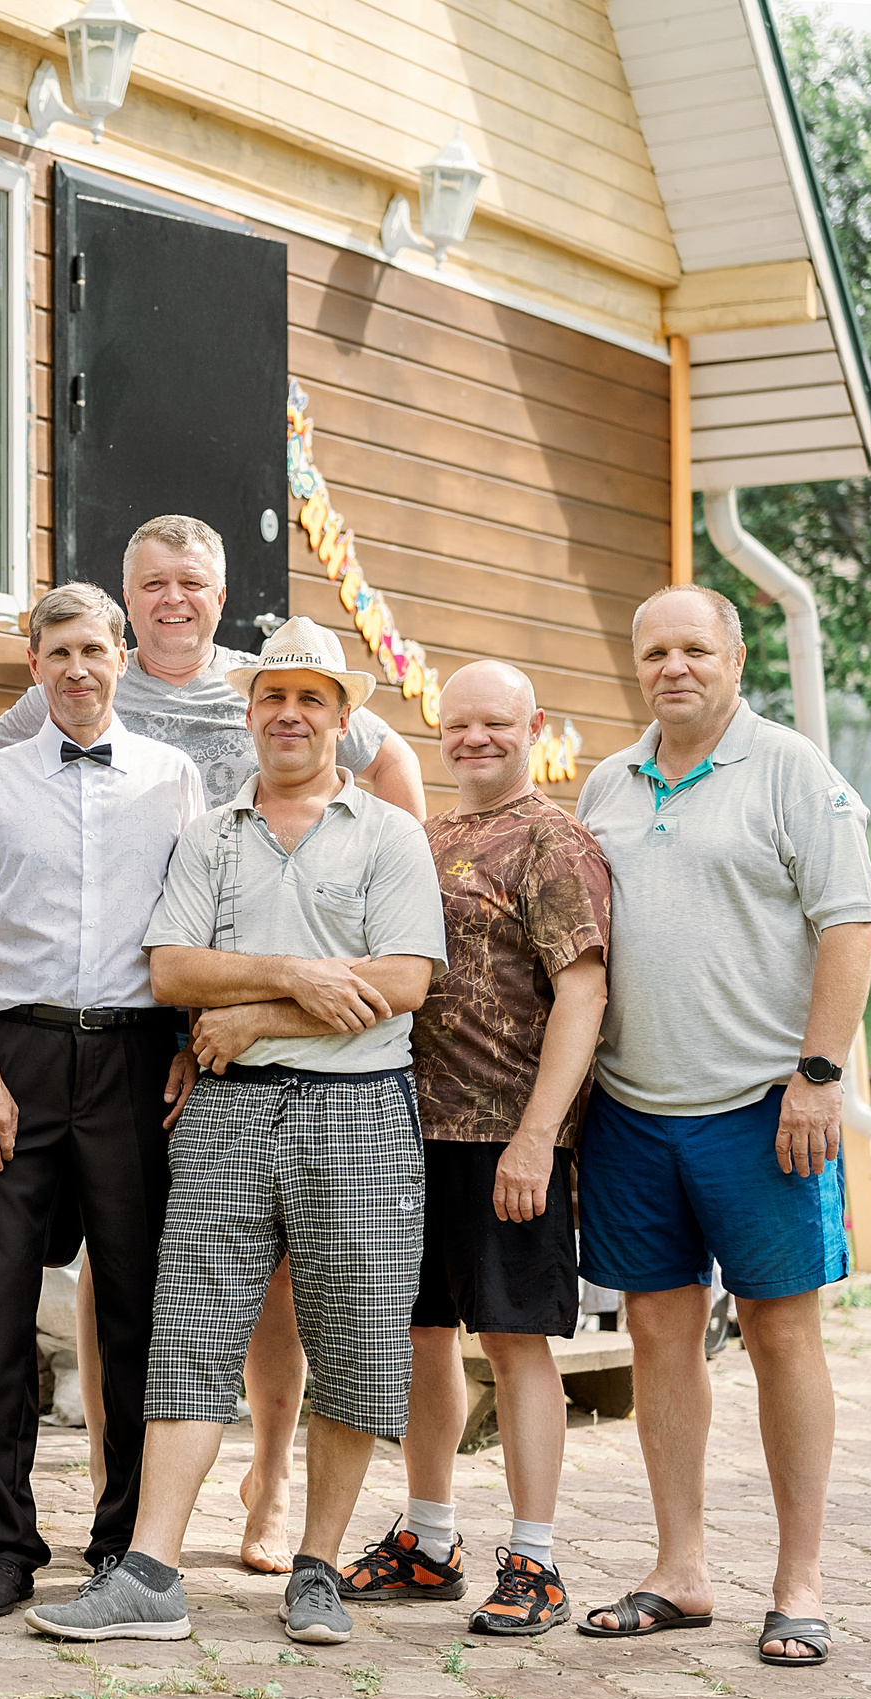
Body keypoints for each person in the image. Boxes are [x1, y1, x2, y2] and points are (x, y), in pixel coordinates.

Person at [0, 514, 425, 1571]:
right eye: (150, 584)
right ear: (124, 602)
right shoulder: (92, 677)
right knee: (116, 1259)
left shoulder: (267, 681)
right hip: (144, 1013)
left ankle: (268, 1473)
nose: (170, 599)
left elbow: (392, 758)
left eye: (189, 581)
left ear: (221, 595)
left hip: (266, 1029)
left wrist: (398, 886)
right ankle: (111, 1482)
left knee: (272, 1271)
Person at [571, 585, 871, 1668]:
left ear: (735, 658)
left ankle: (800, 1581)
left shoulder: (792, 769)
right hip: (632, 1113)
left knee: (780, 1332)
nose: (673, 667)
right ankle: (680, 1570)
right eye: (652, 649)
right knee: (658, 1336)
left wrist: (817, 1077)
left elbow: (849, 923)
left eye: (694, 647)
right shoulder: (606, 782)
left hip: (763, 1109)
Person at [0, 581, 207, 1620]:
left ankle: (121, 1542)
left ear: (121, 656)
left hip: (137, 1064)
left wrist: (187, 1043)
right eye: (59, 654)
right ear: (34, 664)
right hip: (22, 1059)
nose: (78, 670)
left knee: (133, 1306)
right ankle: (5, 1542)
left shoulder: (174, 780)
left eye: (94, 650)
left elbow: (197, 919)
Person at [335, 660, 609, 1635]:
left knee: (515, 1340)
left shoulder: (553, 840)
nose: (475, 739)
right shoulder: (426, 837)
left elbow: (582, 990)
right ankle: (429, 1538)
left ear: (532, 726)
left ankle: (534, 1560)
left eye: (496, 723)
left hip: (505, 1139)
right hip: (407, 1136)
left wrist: (539, 1137)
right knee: (423, 1338)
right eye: (459, 725)